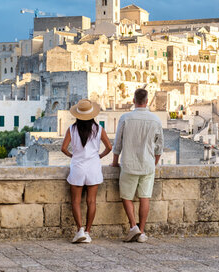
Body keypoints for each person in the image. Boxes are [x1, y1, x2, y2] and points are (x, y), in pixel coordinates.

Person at [111, 88, 164, 243]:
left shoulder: (125, 118)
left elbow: (118, 143)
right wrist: (154, 163)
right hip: (148, 164)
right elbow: (159, 147)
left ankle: (133, 226)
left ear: (133, 101)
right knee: (145, 197)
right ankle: (141, 232)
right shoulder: (156, 120)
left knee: (126, 197)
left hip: (129, 163)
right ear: (147, 102)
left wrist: (115, 162)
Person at [61, 99, 112, 243]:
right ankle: (88, 232)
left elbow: (63, 148)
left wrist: (73, 156)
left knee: (76, 201)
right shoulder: (99, 129)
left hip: (77, 166)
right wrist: (99, 156)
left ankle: (80, 230)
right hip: (93, 167)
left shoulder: (71, 129)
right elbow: (109, 147)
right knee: (91, 201)